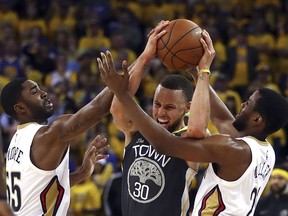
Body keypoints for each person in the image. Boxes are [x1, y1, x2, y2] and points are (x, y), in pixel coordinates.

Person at [99, 29, 288, 215]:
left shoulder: (233, 150)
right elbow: (222, 118)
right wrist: (195, 70)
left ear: (257, 119)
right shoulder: (265, 151)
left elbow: (166, 143)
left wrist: (122, 93)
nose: (242, 104)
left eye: (248, 103)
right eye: (157, 104)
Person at [97, 20, 211, 215]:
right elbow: (118, 109)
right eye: (157, 105)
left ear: (187, 108)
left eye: (169, 107)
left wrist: (203, 71)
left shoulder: (187, 140)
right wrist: (146, 56)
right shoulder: (138, 130)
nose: (160, 113)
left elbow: (198, 129)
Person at [0, 78, 113, 215]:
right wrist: (141, 61)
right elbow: (99, 108)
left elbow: (39, 190)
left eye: (40, 88)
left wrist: (82, 172)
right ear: (20, 108)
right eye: (34, 91)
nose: (44, 93)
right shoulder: (44, 136)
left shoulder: (16, 141)